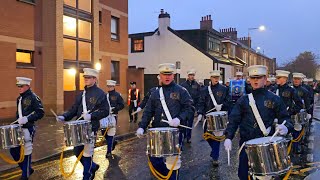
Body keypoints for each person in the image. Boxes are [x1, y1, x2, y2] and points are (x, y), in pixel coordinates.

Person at [224, 65, 293, 180]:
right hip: (247, 144)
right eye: (253, 78)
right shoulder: (243, 100)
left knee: (267, 176)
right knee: (243, 175)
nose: (255, 80)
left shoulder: (274, 99)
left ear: (265, 79)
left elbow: (286, 119)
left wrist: (286, 127)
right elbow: (234, 120)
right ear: (249, 79)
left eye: (259, 77)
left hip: (267, 144)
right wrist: (228, 137)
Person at [136, 63, 195, 180]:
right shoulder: (155, 93)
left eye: (169, 74)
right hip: (157, 131)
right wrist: (142, 126)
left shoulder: (181, 91)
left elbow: (190, 108)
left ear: (173, 75)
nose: (167, 77)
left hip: (175, 132)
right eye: (164, 74)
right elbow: (148, 111)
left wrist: (179, 118)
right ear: (160, 76)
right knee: (154, 160)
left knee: (173, 162)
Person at [56, 68, 108, 180]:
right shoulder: (81, 94)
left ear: (95, 79)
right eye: (85, 77)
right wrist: (64, 116)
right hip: (79, 127)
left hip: (91, 127)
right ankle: (92, 167)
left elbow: (105, 111)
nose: (86, 79)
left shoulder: (100, 93)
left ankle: (87, 176)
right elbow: (74, 109)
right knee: (77, 151)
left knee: (88, 152)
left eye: (88, 78)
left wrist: (91, 116)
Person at [10, 77, 44, 180]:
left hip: (28, 128)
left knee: (27, 152)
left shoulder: (34, 97)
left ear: (28, 86)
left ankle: (25, 175)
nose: (19, 88)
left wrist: (27, 119)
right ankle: (27, 169)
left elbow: (40, 112)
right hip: (19, 129)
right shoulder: (19, 99)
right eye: (18, 86)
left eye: (21, 86)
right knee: (14, 150)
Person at [197, 70, 229, 166]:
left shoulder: (224, 89)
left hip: (219, 117)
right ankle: (214, 152)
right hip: (208, 116)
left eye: (217, 77)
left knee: (216, 137)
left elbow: (229, 102)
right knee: (207, 136)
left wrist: (222, 105)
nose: (216, 79)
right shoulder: (205, 90)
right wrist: (199, 113)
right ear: (210, 78)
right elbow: (201, 102)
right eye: (214, 77)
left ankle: (215, 157)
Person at [102, 80, 124, 158]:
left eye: (111, 86)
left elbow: (122, 105)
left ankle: (108, 152)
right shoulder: (105, 95)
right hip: (105, 116)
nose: (109, 88)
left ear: (114, 86)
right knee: (103, 132)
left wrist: (115, 109)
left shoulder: (117, 95)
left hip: (113, 116)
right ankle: (113, 142)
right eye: (108, 86)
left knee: (110, 133)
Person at [292, 73, 312, 153]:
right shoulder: (289, 89)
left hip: (300, 114)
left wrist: (308, 112)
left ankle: (298, 146)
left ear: (301, 80)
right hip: (290, 112)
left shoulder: (304, 91)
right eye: (295, 79)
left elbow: (307, 103)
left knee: (299, 131)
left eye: (298, 79)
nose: (296, 81)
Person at [180, 69, 201, 143]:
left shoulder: (197, 85)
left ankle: (188, 137)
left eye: (193, 75)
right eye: (190, 75)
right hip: (184, 107)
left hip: (192, 107)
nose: (192, 76)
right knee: (184, 122)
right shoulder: (183, 85)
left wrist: (197, 108)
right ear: (188, 76)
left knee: (190, 123)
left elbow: (199, 97)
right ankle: (184, 135)